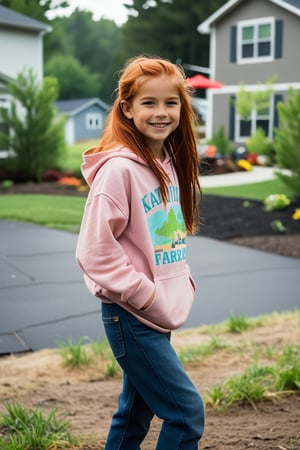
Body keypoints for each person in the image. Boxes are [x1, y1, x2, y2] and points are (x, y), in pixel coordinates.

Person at [76, 54, 205, 450]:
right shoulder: (119, 171)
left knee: (133, 415)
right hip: (131, 314)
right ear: (127, 109)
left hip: (155, 312)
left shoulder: (166, 163)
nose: (162, 112)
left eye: (171, 102)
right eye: (149, 103)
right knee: (186, 415)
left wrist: (172, 287)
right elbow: (94, 252)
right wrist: (145, 294)